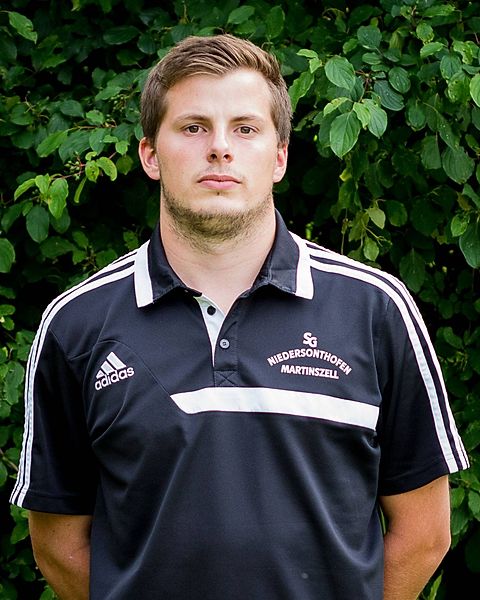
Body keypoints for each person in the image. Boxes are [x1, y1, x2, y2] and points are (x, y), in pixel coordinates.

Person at [10, 33, 469, 600]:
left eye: (246, 129)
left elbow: (424, 534)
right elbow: (59, 544)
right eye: (193, 127)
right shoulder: (77, 325)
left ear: (279, 157)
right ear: (150, 154)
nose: (220, 148)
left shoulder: (375, 309)